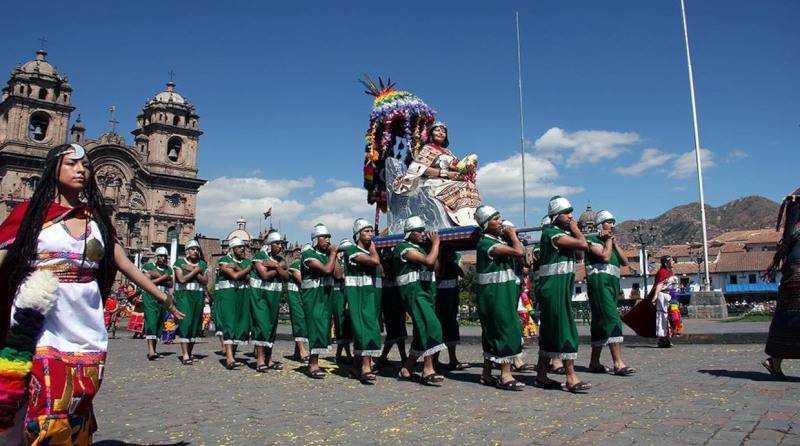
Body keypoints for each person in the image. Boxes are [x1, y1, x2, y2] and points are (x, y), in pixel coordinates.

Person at [0, 143, 182, 445]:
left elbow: (122, 261)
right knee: (49, 392)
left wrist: (162, 296)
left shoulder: (95, 220)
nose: (81, 169)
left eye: (85, 165)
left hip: (85, 318)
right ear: (54, 169)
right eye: (72, 164)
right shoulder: (30, 214)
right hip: (41, 316)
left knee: (80, 394)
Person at [535, 196, 591, 392]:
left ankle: (541, 375)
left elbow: (579, 254)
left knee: (550, 331)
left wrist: (572, 232)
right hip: (554, 288)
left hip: (560, 286)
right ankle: (571, 377)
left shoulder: (560, 233)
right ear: (556, 215)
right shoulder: (551, 233)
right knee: (564, 327)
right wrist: (576, 229)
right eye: (566, 213)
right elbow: (583, 244)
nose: (570, 216)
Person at [474, 206, 527, 390]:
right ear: (486, 224)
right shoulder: (487, 244)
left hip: (500, 293)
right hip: (494, 296)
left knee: (492, 332)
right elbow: (519, 252)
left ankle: (486, 374)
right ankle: (505, 374)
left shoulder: (495, 241)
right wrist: (513, 235)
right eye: (496, 219)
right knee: (505, 328)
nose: (501, 222)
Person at [392, 122, 481, 228]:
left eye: (444, 131)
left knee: (470, 186)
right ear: (431, 134)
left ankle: (470, 219)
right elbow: (420, 169)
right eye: (437, 130)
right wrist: (446, 173)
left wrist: (467, 168)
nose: (441, 133)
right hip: (433, 183)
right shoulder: (427, 149)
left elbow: (456, 167)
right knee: (461, 188)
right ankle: (463, 222)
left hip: (448, 182)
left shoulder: (448, 152)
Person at [393, 216, 446, 385]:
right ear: (410, 233)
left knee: (421, 330)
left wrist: (432, 247)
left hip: (425, 292)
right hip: (413, 292)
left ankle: (406, 368)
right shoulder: (403, 248)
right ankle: (427, 369)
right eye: (419, 231)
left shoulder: (422, 248)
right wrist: (436, 244)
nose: (423, 234)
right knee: (431, 325)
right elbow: (429, 261)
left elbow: (436, 267)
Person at [584, 210, 635, 376]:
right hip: (600, 286)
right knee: (612, 318)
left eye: (613, 221)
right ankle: (618, 363)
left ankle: (594, 362)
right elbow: (604, 257)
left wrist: (614, 242)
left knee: (599, 323)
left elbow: (625, 262)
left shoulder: (610, 243)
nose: (613, 224)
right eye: (609, 221)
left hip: (612, 286)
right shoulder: (591, 240)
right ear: (600, 224)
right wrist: (606, 240)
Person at [762, 188, 800, 379]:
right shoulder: (797, 207)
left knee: (787, 315)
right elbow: (788, 240)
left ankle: (775, 358)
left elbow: (786, 242)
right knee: (790, 315)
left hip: (792, 271)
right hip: (796, 272)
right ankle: (775, 358)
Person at [342, 218, 383, 383]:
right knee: (365, 329)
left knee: (368, 328)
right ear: (357, 234)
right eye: (366, 231)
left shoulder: (367, 251)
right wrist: (373, 248)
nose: (371, 234)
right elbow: (374, 262)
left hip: (371, 296)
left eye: (371, 230)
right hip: (358, 296)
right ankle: (366, 368)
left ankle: (355, 366)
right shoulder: (351, 250)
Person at [301, 224, 338, 379]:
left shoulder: (328, 255)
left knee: (323, 327)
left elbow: (339, 274)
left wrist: (334, 256)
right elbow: (326, 270)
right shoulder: (308, 253)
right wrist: (333, 254)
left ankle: (314, 361)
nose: (328, 240)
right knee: (315, 326)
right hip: (313, 296)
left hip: (325, 296)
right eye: (324, 237)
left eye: (329, 237)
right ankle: (312, 364)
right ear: (316, 239)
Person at [250, 231, 287, 372]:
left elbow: (285, 276)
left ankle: (269, 359)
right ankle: (260, 360)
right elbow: (264, 275)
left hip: (274, 297)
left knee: (271, 327)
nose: (280, 246)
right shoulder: (259, 256)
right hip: (260, 297)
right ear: (270, 245)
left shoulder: (280, 259)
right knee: (261, 325)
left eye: (281, 244)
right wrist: (278, 268)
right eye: (277, 244)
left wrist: (275, 266)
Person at [215, 237, 252, 369]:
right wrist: (245, 269)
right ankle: (229, 357)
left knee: (240, 324)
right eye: (239, 247)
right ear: (232, 248)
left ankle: (233, 355)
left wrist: (238, 268)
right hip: (229, 295)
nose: (242, 249)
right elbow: (234, 276)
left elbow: (249, 279)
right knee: (229, 323)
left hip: (243, 294)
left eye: (243, 247)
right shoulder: (224, 260)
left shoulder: (247, 261)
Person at [172, 239, 208, 365]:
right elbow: (181, 279)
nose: (195, 251)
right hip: (184, 296)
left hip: (198, 296)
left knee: (195, 324)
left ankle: (190, 352)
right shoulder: (179, 262)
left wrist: (194, 270)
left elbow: (205, 281)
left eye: (197, 249)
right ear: (187, 251)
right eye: (193, 249)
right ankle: (185, 354)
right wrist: (196, 271)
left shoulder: (202, 264)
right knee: (185, 323)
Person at [434, 248, 468, 371]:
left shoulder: (452, 265)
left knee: (450, 330)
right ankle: (435, 360)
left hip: (451, 303)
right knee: (440, 330)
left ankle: (452, 359)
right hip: (442, 304)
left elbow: (462, 273)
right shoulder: (439, 265)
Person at [377, 248, 408, 367]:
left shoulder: (395, 273)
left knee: (399, 333)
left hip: (397, 305)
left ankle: (389, 356)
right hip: (390, 306)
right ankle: (387, 356)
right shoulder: (385, 277)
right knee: (393, 332)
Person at [141, 247, 173, 360]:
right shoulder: (148, 267)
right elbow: (145, 281)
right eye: (160, 256)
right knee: (151, 320)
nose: (163, 258)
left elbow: (170, 284)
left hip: (163, 297)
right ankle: (150, 350)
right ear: (156, 257)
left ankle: (154, 349)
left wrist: (157, 276)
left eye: (164, 257)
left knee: (159, 322)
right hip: (150, 296)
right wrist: (163, 278)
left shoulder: (168, 269)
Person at [648, 255, 679, 348]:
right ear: (666, 263)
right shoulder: (662, 272)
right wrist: (655, 297)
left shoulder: (670, 272)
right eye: (671, 261)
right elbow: (659, 285)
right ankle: (662, 339)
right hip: (663, 297)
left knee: (672, 317)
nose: (673, 262)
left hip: (671, 296)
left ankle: (667, 338)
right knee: (663, 317)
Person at [286, 246, 309, 361]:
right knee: (298, 320)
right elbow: (301, 280)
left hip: (302, 295)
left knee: (303, 321)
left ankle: (297, 351)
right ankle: (302, 350)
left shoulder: (308, 266)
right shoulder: (296, 264)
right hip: (294, 295)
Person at [332, 240, 352, 364]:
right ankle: (345, 354)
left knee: (347, 323)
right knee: (340, 322)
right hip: (338, 293)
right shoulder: (337, 261)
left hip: (348, 292)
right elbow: (339, 275)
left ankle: (340, 353)